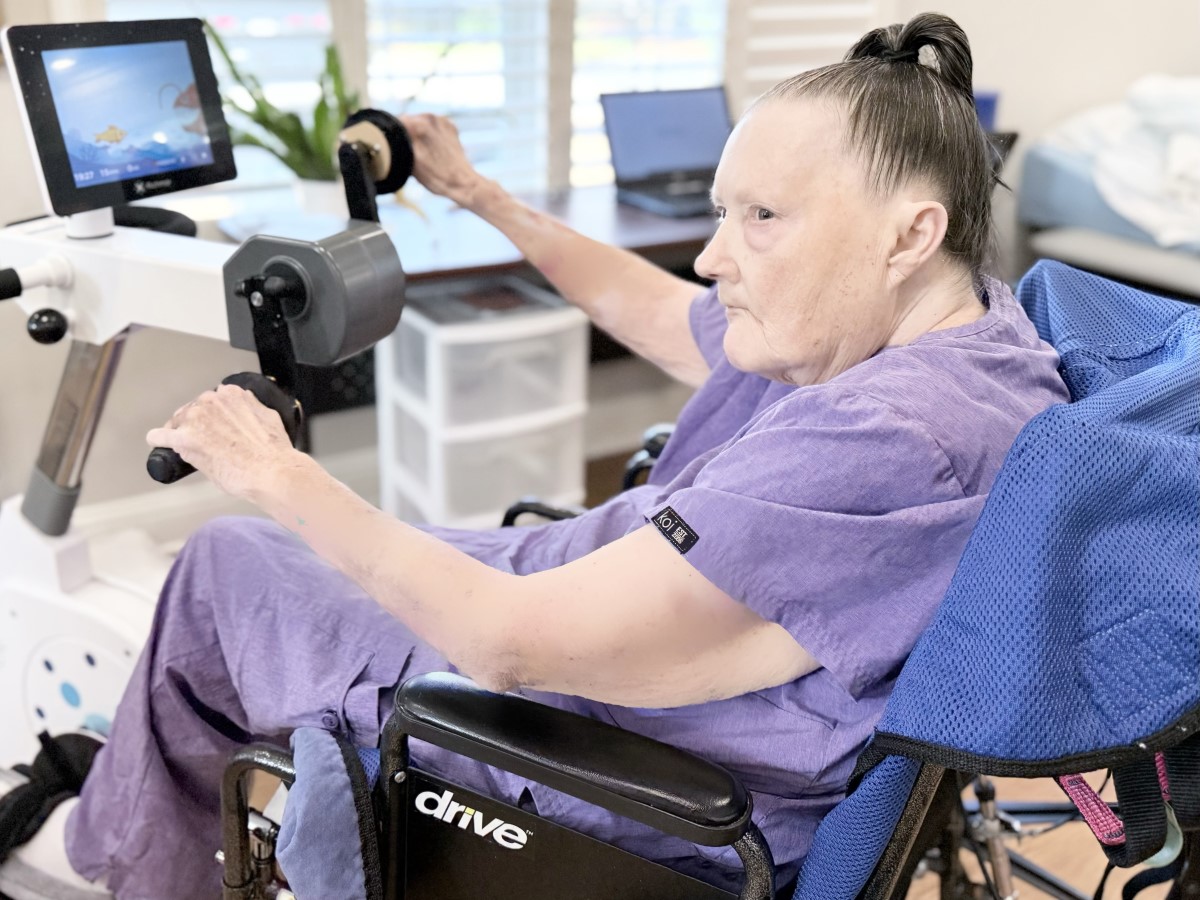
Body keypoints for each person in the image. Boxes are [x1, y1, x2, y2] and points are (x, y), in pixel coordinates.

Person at [2, 12, 1070, 900]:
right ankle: (133, 809)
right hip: (597, 634)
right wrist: (484, 196)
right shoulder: (963, 336)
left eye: (761, 217)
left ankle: (119, 859)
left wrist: (275, 469)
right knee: (284, 564)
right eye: (720, 213)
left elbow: (508, 647)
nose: (714, 255)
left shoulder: (881, 439)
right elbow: (660, 311)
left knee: (225, 564)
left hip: (588, 754)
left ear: (908, 233)